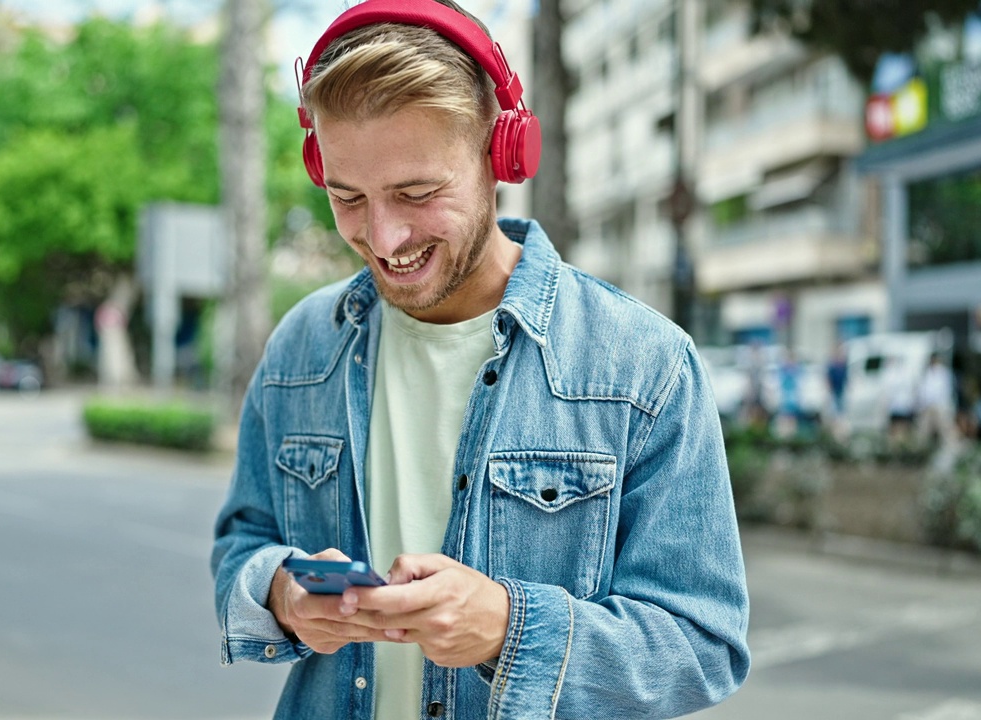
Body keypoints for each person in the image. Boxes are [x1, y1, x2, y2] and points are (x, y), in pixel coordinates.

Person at [210, 1, 750, 718]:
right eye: (348, 197)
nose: (384, 235)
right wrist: (280, 591)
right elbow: (241, 545)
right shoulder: (302, 347)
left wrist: (506, 626)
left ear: (502, 155)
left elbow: (703, 647)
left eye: (417, 192)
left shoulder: (644, 367)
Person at [916, 353, 956, 448]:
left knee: (945, 430)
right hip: (928, 406)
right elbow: (923, 390)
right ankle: (922, 449)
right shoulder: (927, 373)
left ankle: (949, 448)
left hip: (940, 405)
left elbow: (946, 390)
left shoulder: (944, 373)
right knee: (924, 431)